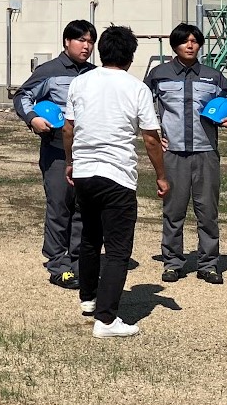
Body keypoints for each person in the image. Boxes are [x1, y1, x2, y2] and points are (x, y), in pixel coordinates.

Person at [62, 25, 168, 338]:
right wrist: (161, 176)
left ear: (101, 50)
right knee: (119, 249)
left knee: (90, 238)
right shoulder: (137, 88)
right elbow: (151, 138)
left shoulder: (80, 82)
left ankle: (89, 299)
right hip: (117, 174)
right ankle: (107, 320)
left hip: (84, 172)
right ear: (130, 56)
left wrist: (70, 162)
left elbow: (68, 129)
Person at [144, 22, 227, 284]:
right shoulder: (159, 75)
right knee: (173, 211)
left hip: (205, 153)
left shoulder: (212, 76)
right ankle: (172, 263)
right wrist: (154, 134)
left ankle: (208, 264)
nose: (190, 46)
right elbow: (140, 105)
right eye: (184, 41)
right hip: (173, 154)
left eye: (195, 41)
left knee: (207, 211)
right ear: (174, 45)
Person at [13, 19, 96, 289]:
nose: (86, 46)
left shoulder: (95, 74)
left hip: (88, 153)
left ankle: (78, 261)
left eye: (90, 41)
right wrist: (33, 119)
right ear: (66, 42)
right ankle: (58, 264)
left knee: (84, 209)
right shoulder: (49, 71)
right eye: (81, 40)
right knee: (60, 207)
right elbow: (22, 96)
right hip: (57, 151)